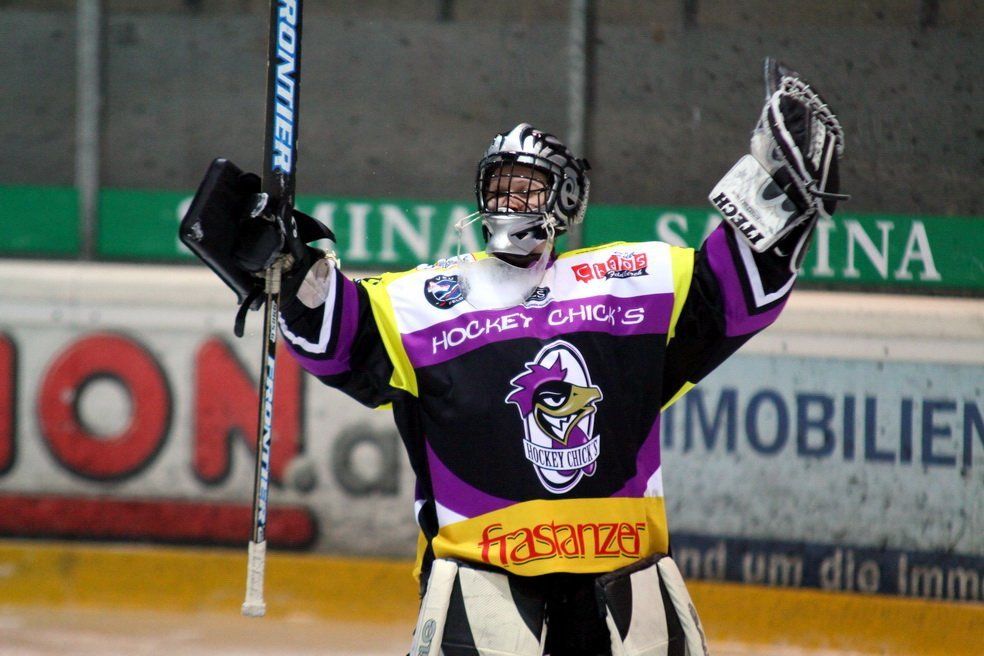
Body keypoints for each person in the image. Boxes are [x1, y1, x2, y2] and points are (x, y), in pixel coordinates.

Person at [221, 59, 845, 655]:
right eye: (499, 187)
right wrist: (293, 271)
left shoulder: (634, 280)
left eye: (527, 189)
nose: (508, 202)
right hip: (481, 585)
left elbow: (732, 295)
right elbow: (338, 341)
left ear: (565, 200)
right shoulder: (425, 299)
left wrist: (776, 193)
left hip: (618, 586)